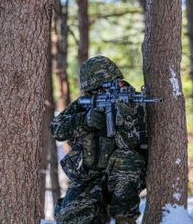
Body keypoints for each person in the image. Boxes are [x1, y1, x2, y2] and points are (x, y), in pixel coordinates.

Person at [50, 56, 147, 224]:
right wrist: (84, 120)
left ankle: (124, 219)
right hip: (92, 176)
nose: (102, 93)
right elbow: (56, 129)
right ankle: (98, 213)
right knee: (69, 216)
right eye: (97, 90)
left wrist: (126, 114)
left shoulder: (132, 102)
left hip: (125, 176)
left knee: (125, 159)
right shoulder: (86, 103)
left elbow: (132, 144)